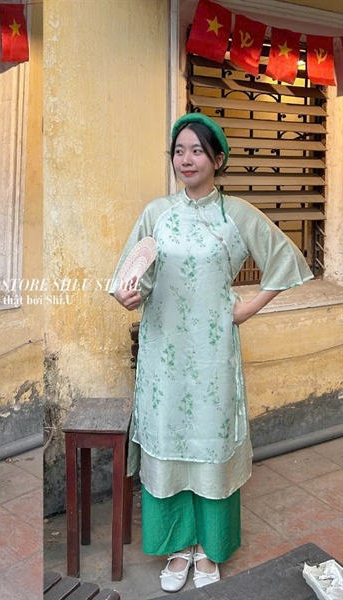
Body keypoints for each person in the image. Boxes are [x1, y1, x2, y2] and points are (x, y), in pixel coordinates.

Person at [111, 113, 312, 592]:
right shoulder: (157, 213)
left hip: (213, 353)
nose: (186, 159)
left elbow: (286, 259)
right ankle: (178, 546)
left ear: (217, 159)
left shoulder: (236, 215)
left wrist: (245, 310)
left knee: (210, 439)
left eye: (197, 151)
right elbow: (131, 276)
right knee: (168, 437)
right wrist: (127, 294)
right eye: (179, 151)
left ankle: (209, 548)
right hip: (163, 353)